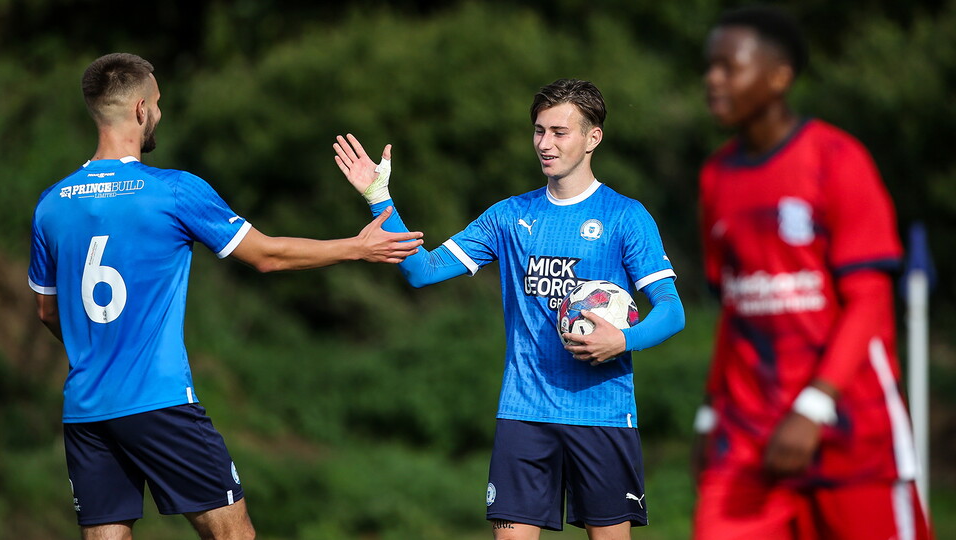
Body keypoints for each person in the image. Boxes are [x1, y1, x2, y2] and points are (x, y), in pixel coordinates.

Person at [27, 52, 423, 540]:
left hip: (87, 407)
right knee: (233, 534)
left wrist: (98, 354)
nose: (160, 114)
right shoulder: (173, 190)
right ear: (139, 110)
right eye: (158, 103)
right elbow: (267, 255)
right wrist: (356, 247)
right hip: (158, 400)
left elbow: (47, 310)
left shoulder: (51, 204)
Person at [333, 78, 685, 539]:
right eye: (539, 131)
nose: (545, 143)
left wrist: (622, 339)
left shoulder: (625, 216)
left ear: (592, 138)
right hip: (524, 413)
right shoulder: (507, 216)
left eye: (560, 132)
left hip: (601, 413)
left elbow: (671, 311)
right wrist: (379, 196)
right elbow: (423, 271)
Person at [693, 6, 933, 540]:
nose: (713, 80)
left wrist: (814, 407)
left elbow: (869, 300)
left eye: (729, 67)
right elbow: (735, 311)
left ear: (780, 76)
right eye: (709, 67)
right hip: (749, 434)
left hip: (849, 430)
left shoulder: (836, 159)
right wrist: (710, 414)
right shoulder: (716, 177)